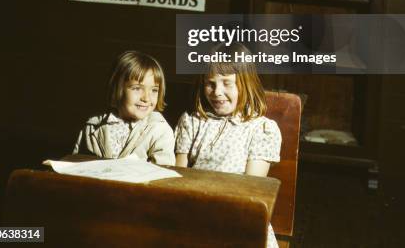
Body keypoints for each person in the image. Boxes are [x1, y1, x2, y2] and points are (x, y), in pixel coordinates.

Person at [175, 46, 281, 248]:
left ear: (246, 84)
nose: (217, 93)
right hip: (193, 212)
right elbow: (178, 176)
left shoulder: (261, 129)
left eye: (227, 84)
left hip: (238, 216)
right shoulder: (192, 121)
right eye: (210, 84)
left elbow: (251, 190)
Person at [73, 50, 175, 164]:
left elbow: (163, 172)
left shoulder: (159, 130)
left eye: (154, 90)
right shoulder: (93, 127)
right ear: (117, 89)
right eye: (137, 88)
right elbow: (78, 165)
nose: (146, 98)